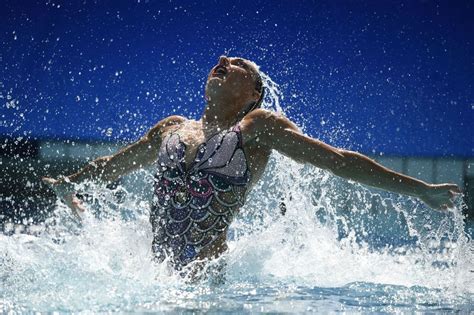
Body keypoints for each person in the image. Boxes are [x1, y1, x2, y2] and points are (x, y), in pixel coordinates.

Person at [43, 56, 461, 277]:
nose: (224, 59)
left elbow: (339, 162)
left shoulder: (258, 127)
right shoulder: (170, 128)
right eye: (222, 59)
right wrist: (70, 184)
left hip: (207, 285)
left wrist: (419, 190)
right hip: (153, 276)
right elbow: (110, 167)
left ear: (254, 93)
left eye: (239, 64)